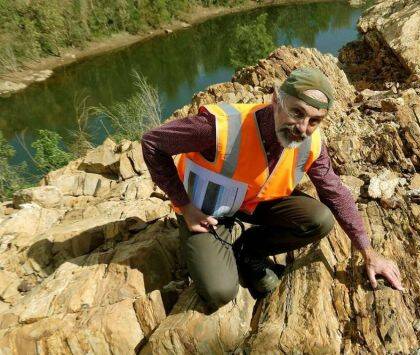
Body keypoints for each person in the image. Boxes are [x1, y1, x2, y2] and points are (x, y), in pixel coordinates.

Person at [142, 68, 404, 312]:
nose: (302, 128)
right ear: (276, 99)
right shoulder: (217, 128)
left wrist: (368, 253)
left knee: (319, 220)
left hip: (253, 203)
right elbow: (153, 143)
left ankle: (249, 251)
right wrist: (185, 206)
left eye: (314, 121)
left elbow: (334, 190)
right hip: (204, 211)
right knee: (219, 291)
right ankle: (211, 248)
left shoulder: (311, 143)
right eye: (297, 112)